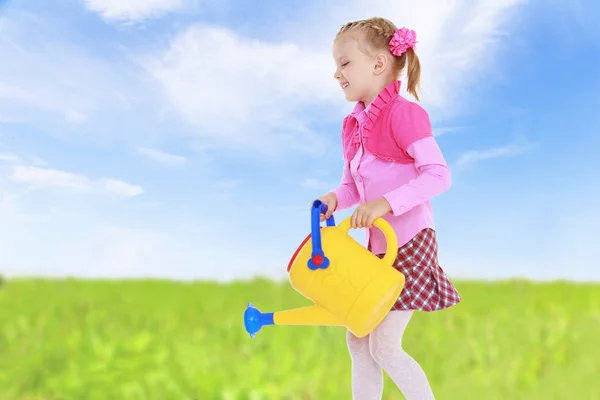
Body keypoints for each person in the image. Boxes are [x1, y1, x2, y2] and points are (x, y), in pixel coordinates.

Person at [314, 17, 462, 399]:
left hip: (411, 243)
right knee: (359, 340)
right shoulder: (354, 125)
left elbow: (438, 175)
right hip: (377, 250)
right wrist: (334, 198)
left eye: (344, 63)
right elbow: (352, 186)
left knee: (384, 346)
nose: (336, 73)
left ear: (379, 64)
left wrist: (384, 204)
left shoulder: (403, 113)